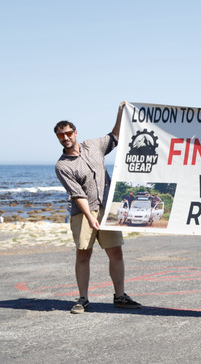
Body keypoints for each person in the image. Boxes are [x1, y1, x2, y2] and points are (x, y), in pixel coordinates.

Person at [54, 101, 141, 314]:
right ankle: (83, 299)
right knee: (84, 254)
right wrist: (90, 217)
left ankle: (120, 296)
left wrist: (121, 112)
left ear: (75, 133)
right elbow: (77, 194)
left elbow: (115, 136)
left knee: (116, 252)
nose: (65, 138)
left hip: (107, 207)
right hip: (84, 212)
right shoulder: (62, 165)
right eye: (60, 136)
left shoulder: (93, 145)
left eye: (68, 133)